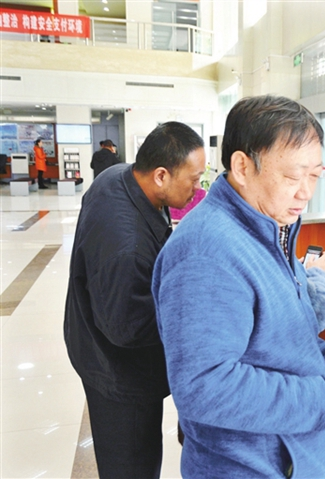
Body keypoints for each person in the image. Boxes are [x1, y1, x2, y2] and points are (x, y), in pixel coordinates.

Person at [151, 95, 325, 478]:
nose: (305, 192)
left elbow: (274, 340)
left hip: (290, 458)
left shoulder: (270, 227)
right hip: (249, 466)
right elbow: (204, 386)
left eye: (314, 176)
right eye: (292, 177)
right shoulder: (206, 251)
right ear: (242, 166)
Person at [64, 122, 206, 479]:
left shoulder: (117, 176)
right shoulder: (126, 247)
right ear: (161, 175)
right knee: (132, 464)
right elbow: (126, 327)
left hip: (90, 337)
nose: (198, 187)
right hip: (119, 373)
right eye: (193, 179)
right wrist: (195, 311)